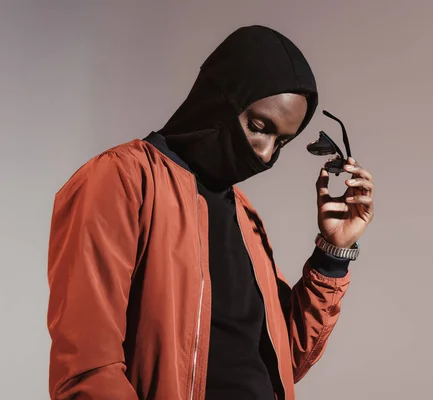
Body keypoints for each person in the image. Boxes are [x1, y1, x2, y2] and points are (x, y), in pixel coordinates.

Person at [47, 25, 375, 400]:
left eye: (281, 141)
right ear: (220, 97)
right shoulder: (121, 179)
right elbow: (88, 368)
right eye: (258, 127)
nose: (266, 154)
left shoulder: (243, 213)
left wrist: (331, 255)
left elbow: (284, 363)